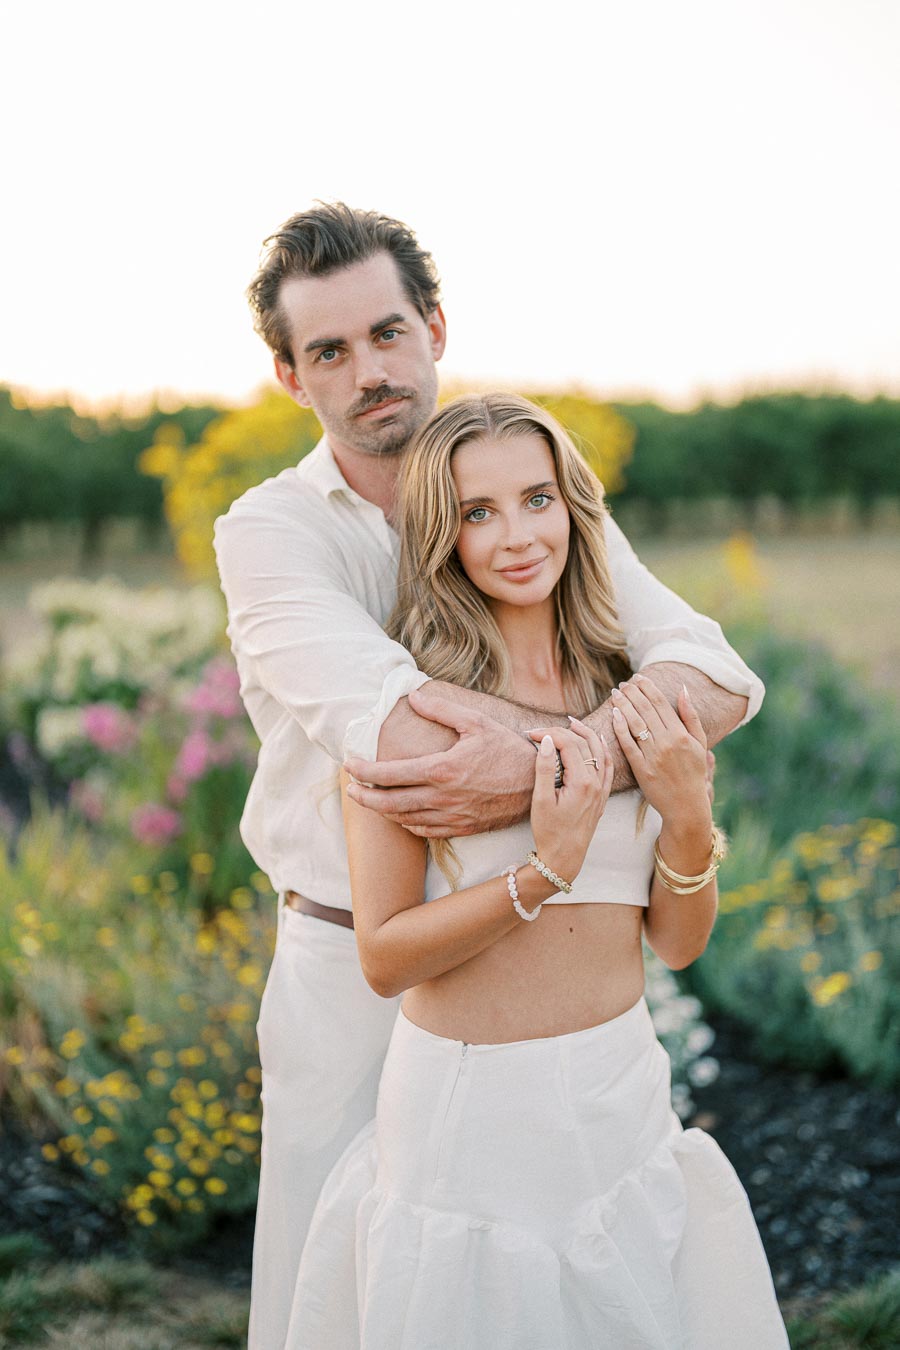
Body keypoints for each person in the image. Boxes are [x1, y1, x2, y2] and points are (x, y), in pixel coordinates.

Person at [213, 203, 765, 1349]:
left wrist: (580, 769)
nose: (370, 371)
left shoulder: (522, 490)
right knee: (332, 1292)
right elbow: (393, 731)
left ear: (435, 327)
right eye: (330, 351)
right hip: (345, 957)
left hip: (556, 1013)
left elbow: (713, 675)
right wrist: (621, 757)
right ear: (289, 374)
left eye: (388, 331)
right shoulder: (268, 532)